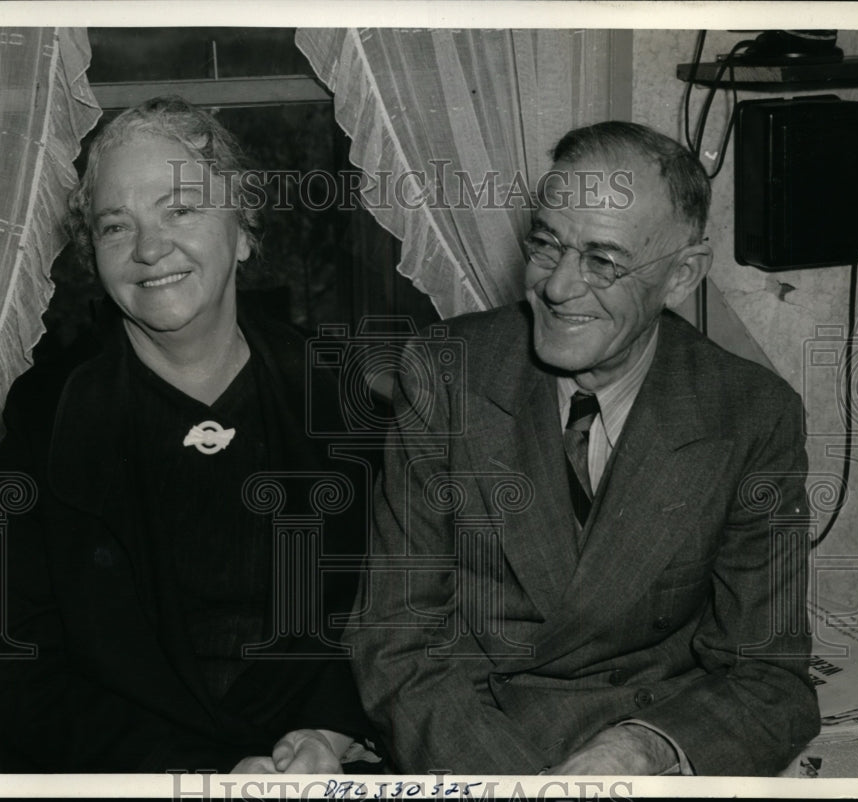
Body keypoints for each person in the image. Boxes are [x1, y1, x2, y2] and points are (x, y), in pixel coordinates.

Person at [344, 121, 821, 776]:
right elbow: (397, 642)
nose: (559, 287)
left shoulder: (750, 415)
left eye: (602, 261)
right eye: (546, 245)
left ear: (681, 276)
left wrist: (646, 748)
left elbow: (769, 677)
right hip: (480, 746)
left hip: (647, 742)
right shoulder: (444, 373)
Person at [0, 96, 372, 773]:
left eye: (179, 210)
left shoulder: (341, 400)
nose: (150, 249)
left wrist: (328, 728)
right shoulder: (42, 423)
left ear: (244, 231)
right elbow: (20, 674)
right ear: (91, 253)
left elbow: (398, 609)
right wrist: (198, 776)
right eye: (115, 226)